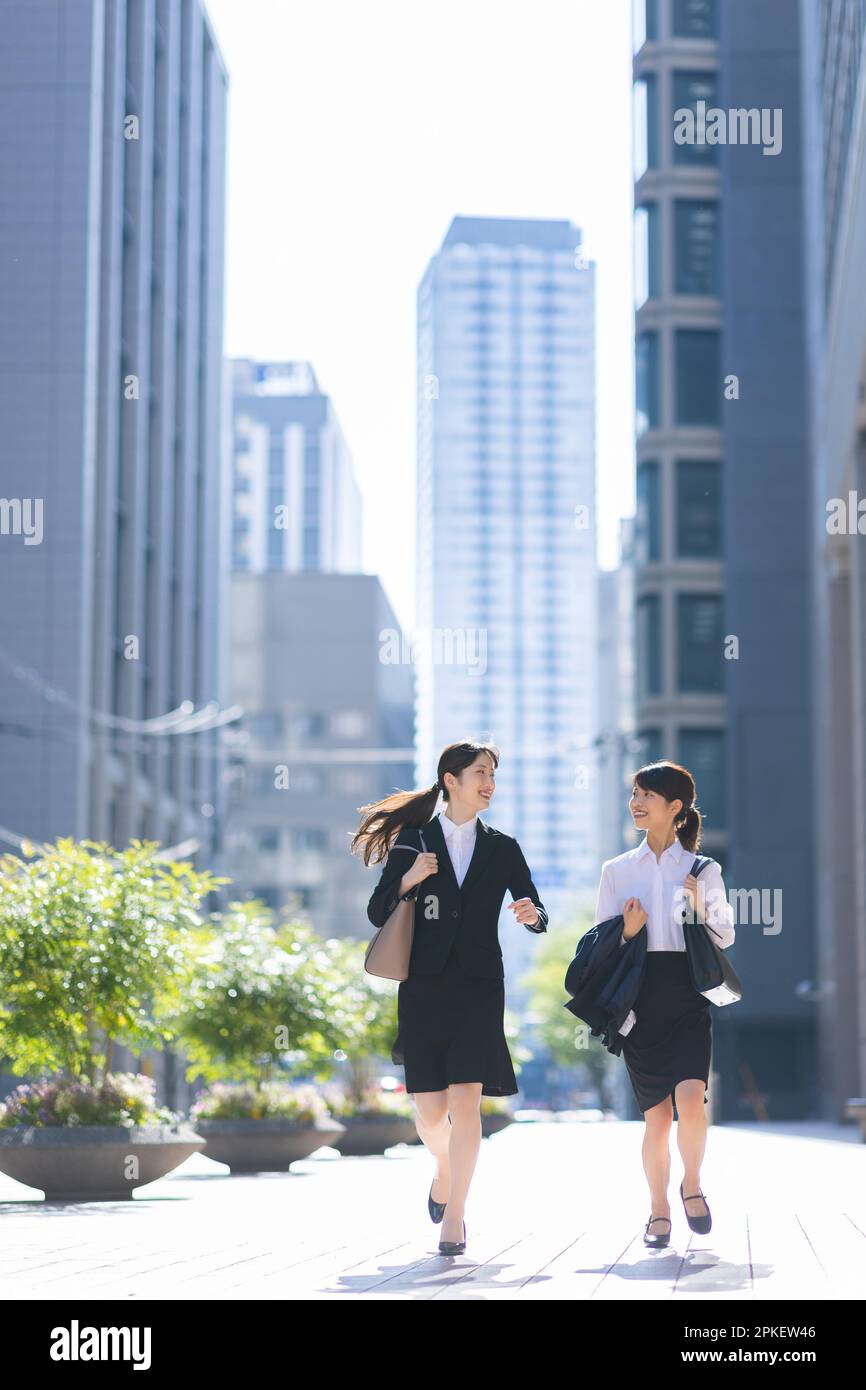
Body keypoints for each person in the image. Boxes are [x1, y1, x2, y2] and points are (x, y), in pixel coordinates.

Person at [351, 740, 547, 1256]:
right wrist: (409, 879)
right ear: (450, 779)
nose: (490, 783)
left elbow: (536, 908)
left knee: (466, 1105)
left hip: (481, 988)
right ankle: (443, 1167)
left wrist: (532, 916)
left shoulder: (504, 847)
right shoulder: (414, 840)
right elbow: (377, 912)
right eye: (480, 773)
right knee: (430, 1113)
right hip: (424, 988)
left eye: (493, 775)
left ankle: (455, 1217)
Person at [594, 760, 735, 1248]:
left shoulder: (703, 869)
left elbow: (726, 935)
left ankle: (691, 1185)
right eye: (634, 794)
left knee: (691, 1103)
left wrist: (697, 908)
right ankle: (658, 1211)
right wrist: (627, 932)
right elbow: (599, 942)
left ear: (675, 808)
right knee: (656, 1117)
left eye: (646, 795)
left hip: (686, 993)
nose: (636, 802)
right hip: (639, 995)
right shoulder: (617, 870)